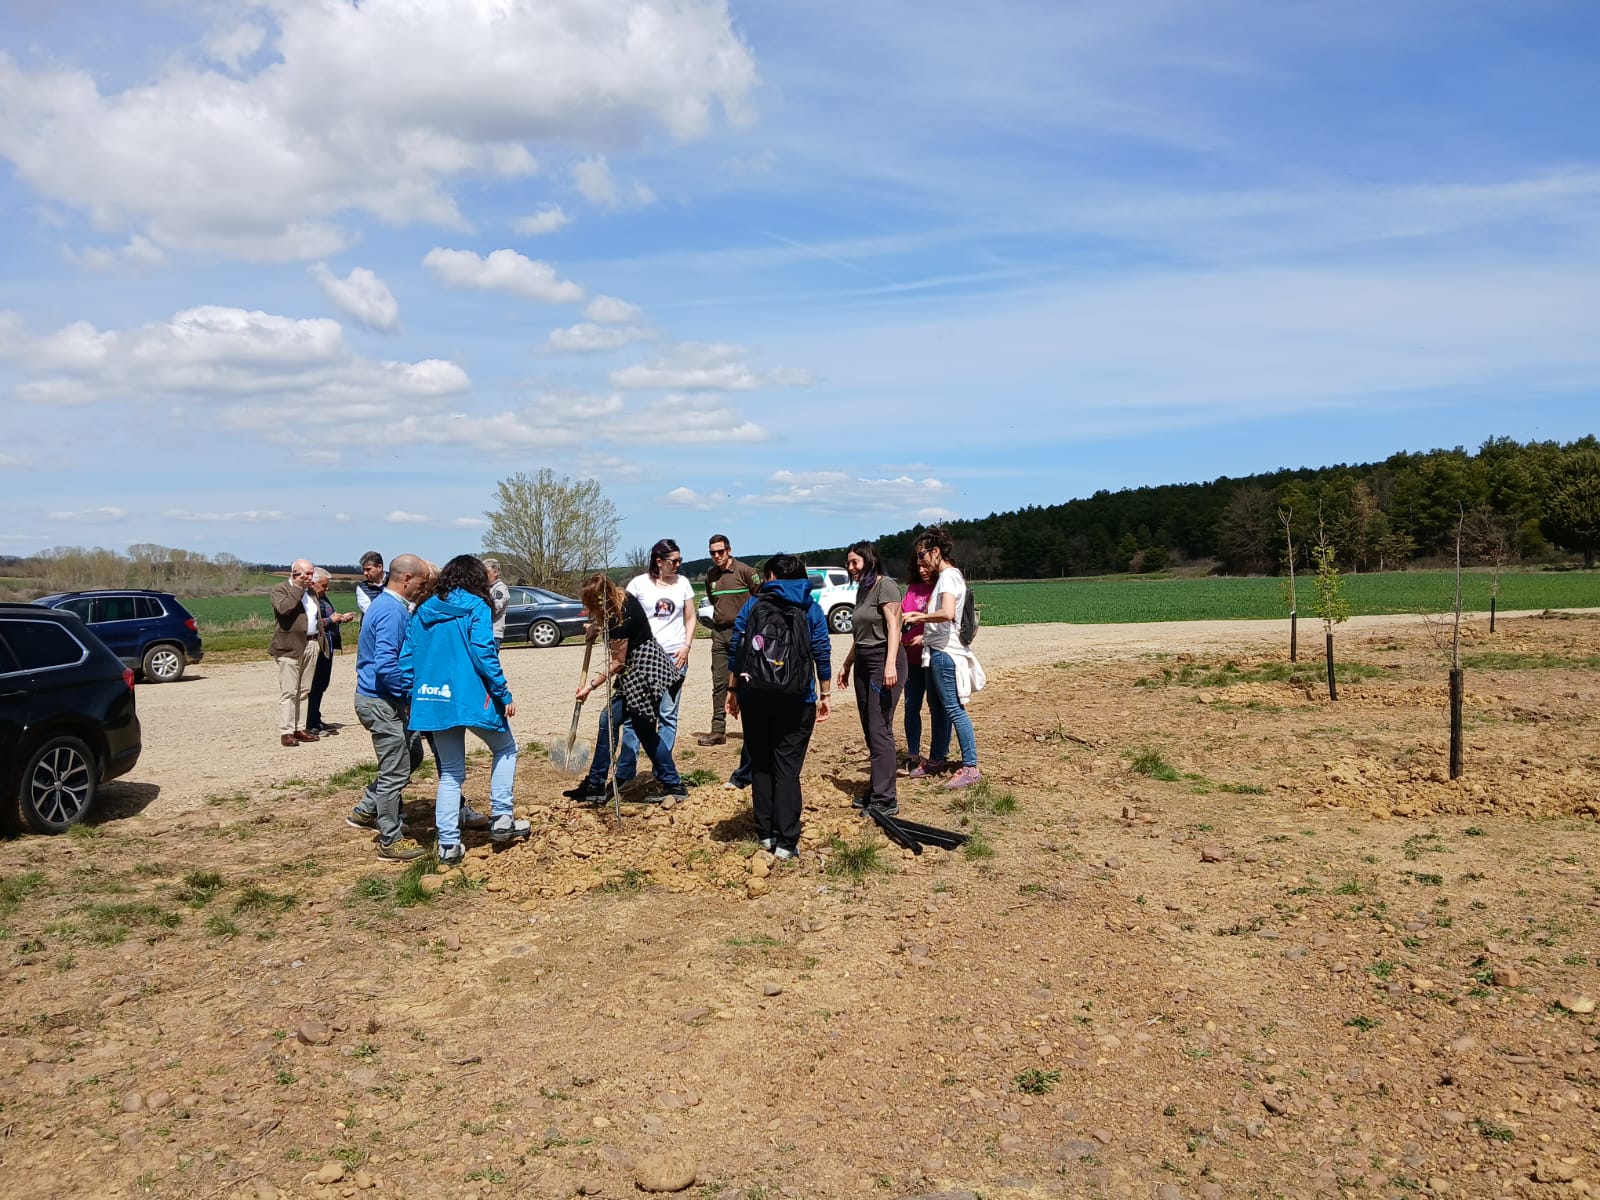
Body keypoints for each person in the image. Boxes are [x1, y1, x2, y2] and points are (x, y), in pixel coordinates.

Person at [401, 554, 529, 866]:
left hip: (434, 700)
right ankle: (502, 817)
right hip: (472, 697)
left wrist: (413, 695)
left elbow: (406, 660)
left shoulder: (421, 611)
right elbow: (484, 652)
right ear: (476, 579)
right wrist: (503, 692)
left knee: (451, 772)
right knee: (506, 748)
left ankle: (448, 845)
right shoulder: (476, 606)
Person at [727, 553, 832, 860]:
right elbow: (821, 652)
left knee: (760, 762)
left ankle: (764, 834)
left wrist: (732, 689)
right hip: (797, 699)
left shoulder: (753, 605)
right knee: (787, 768)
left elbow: (737, 647)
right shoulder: (810, 607)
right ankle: (786, 842)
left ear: (771, 576)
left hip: (754, 696)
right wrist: (824, 694)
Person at [564, 573, 688, 803]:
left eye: (590, 604)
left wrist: (590, 687)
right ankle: (596, 784)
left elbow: (617, 663)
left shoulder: (619, 619)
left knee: (644, 732)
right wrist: (595, 627)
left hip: (643, 675)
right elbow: (608, 620)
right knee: (608, 720)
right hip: (635, 671)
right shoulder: (624, 598)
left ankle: (674, 785)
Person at [347, 554, 431, 861]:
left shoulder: (386, 605)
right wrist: (408, 697)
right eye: (422, 583)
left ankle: (367, 810)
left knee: (412, 753)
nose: (424, 589)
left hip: (381, 699)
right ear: (407, 579)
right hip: (380, 701)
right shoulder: (392, 612)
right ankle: (390, 839)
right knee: (396, 769)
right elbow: (386, 665)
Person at [901, 528, 984, 789]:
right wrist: (925, 637)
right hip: (935, 651)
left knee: (953, 710)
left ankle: (970, 767)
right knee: (937, 710)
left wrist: (918, 617)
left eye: (922, 555)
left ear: (936, 552)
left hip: (945, 655)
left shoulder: (948, 577)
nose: (919, 562)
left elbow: (947, 614)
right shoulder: (947, 577)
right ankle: (937, 759)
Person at [614, 539, 696, 792]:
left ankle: (664, 771)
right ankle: (625, 772)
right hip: (643, 658)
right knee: (633, 718)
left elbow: (690, 617)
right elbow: (623, 616)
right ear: (659, 562)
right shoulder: (638, 585)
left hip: (674, 657)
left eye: (680, 560)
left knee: (667, 716)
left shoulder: (683, 584)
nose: (679, 565)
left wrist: (686, 645)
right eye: (675, 561)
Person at [836, 541, 905, 815]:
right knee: (869, 727)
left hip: (882, 663)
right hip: (864, 661)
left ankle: (886, 799)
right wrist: (847, 663)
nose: (850, 567)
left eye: (855, 562)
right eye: (848, 563)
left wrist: (890, 664)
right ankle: (878, 787)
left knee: (879, 728)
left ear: (870, 560)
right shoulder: (862, 590)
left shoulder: (885, 586)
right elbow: (860, 634)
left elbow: (894, 627)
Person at [698, 534, 760, 746]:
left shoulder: (746, 572)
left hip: (744, 634)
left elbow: (761, 598)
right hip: (720, 634)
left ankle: (754, 730)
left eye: (720, 552)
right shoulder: (710, 576)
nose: (717, 556)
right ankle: (717, 731)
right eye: (712, 553)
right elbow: (714, 601)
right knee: (719, 682)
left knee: (748, 681)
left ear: (729, 550)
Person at [269, 558, 321, 746]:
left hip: (311, 643)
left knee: (304, 690)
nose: (309, 577)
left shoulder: (311, 592)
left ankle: (300, 728)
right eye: (306, 574)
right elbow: (285, 610)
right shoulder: (280, 590)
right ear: (295, 573)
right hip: (289, 647)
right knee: (289, 691)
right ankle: (286, 731)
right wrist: (297, 588)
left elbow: (313, 616)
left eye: (311, 573)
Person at [305, 567, 356, 736]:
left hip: (328, 646)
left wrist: (339, 619)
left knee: (321, 685)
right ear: (313, 584)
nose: (326, 589)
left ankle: (316, 719)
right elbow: (309, 623)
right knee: (314, 685)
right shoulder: (308, 600)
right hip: (317, 646)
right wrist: (330, 620)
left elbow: (327, 619)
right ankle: (309, 723)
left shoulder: (322, 598)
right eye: (324, 586)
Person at [898, 548, 935, 774]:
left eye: (926, 566)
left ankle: (937, 754)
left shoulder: (941, 588)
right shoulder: (911, 589)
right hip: (910, 660)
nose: (922, 570)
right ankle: (912, 752)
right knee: (911, 706)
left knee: (936, 707)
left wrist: (925, 638)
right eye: (919, 567)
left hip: (931, 659)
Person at [484, 558, 511, 646]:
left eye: (487, 572)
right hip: (484, 631)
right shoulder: (485, 588)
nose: (484, 575)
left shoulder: (500, 589)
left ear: (495, 572)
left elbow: (496, 608)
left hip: (493, 633)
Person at [354, 551, 386, 615]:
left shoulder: (394, 580)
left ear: (379, 567)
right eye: (364, 570)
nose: (365, 573)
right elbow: (370, 612)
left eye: (368, 569)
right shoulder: (362, 587)